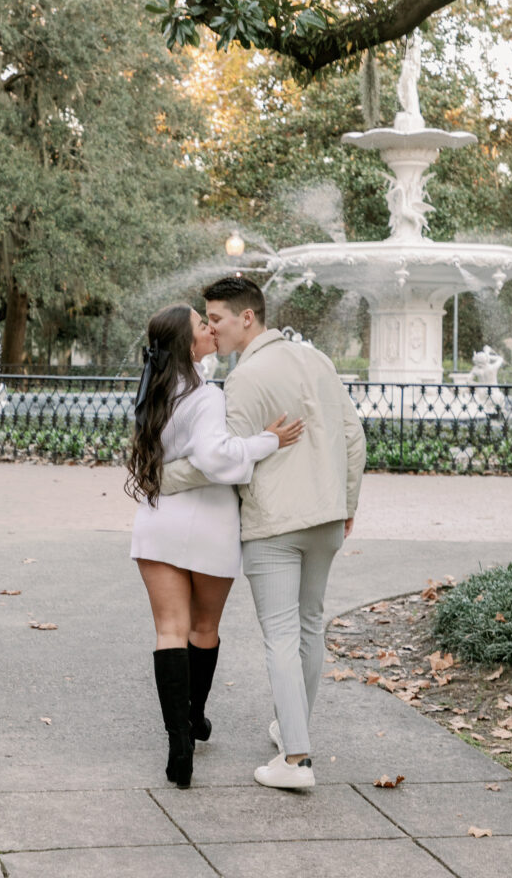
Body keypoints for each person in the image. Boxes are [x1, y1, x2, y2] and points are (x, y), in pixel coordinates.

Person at [161, 277, 366, 790]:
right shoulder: (315, 360)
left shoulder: (246, 378)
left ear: (246, 317)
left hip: (274, 524)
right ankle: (289, 727)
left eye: (217, 319)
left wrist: (159, 475)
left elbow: (221, 462)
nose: (211, 328)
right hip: (326, 517)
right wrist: (348, 503)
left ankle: (295, 760)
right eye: (206, 320)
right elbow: (353, 435)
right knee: (311, 627)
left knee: (280, 634)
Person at [125, 303, 303, 789]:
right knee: (203, 628)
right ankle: (194, 716)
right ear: (188, 343)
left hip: (159, 524)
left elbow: (158, 463)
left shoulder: (156, 389)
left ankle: (179, 742)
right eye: (202, 325)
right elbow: (214, 457)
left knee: (169, 630)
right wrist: (266, 441)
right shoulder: (204, 396)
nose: (209, 328)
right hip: (209, 524)